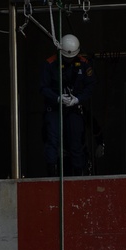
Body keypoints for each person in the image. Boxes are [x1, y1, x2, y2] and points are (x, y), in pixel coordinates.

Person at [41, 32, 95, 176]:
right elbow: (43, 87)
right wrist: (58, 98)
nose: (68, 61)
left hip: (74, 109)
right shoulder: (50, 64)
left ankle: (78, 174)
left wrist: (77, 99)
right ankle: (52, 174)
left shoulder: (84, 64)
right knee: (52, 140)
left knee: (76, 142)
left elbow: (90, 87)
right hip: (54, 108)